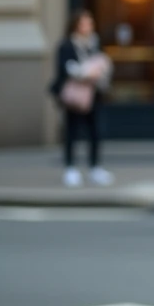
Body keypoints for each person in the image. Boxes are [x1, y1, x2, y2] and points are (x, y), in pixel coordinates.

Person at [49, 10, 114, 188]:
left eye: (89, 23)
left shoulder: (94, 44)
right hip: (74, 97)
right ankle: (70, 168)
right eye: (83, 23)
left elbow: (104, 66)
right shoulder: (67, 45)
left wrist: (98, 74)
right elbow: (67, 68)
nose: (87, 27)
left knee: (95, 132)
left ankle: (95, 167)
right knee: (72, 131)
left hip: (94, 95)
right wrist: (87, 72)